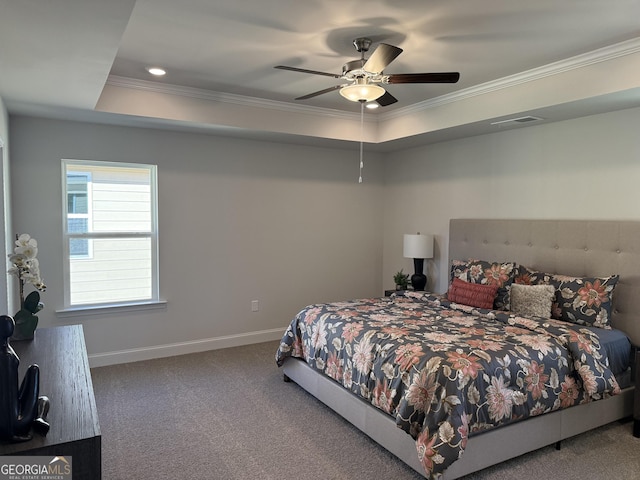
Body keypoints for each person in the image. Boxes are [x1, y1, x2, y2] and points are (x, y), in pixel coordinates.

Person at [0, 315, 49, 441]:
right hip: (15, 423)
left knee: (43, 400)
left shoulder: (6, 350)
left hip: (10, 413)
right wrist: (12, 434)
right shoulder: (7, 357)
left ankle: (40, 417)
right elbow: (7, 397)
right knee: (34, 370)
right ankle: (40, 418)